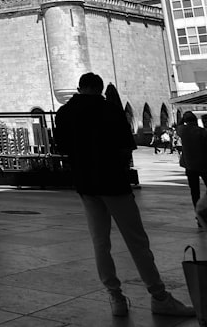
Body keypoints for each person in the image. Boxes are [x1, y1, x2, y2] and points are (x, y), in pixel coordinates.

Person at [55, 72, 194, 318]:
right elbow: (125, 147)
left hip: (86, 186)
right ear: (98, 89)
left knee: (100, 243)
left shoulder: (65, 113)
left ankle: (116, 298)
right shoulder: (110, 109)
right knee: (136, 241)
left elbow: (63, 148)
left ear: (79, 87)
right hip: (113, 182)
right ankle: (159, 296)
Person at [177, 111, 207, 227]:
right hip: (204, 165)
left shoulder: (182, 131)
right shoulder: (201, 131)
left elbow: (178, 125)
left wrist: (182, 118)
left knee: (195, 192)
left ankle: (199, 216)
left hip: (190, 167)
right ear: (195, 121)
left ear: (185, 121)